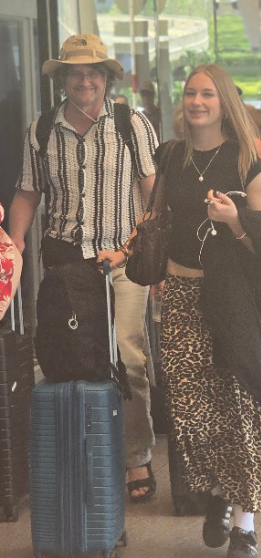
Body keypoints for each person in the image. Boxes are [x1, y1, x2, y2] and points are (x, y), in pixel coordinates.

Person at [153, 64, 261, 558]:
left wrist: (236, 222)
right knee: (191, 408)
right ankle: (216, 490)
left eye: (208, 94)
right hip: (181, 294)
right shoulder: (171, 156)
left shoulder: (247, 160)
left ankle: (244, 524)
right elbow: (155, 217)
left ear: (225, 102)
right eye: (191, 92)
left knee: (240, 405)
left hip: (234, 298)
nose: (197, 101)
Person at [9, 34, 158, 501]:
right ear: (62, 80)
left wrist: (143, 251)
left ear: (107, 79)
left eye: (94, 73)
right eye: (76, 73)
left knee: (127, 357)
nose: (86, 81)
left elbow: (154, 196)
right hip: (66, 263)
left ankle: (136, 458)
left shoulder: (131, 123)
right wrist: (13, 246)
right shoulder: (41, 130)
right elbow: (28, 192)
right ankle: (81, 455)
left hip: (124, 261)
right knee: (68, 359)